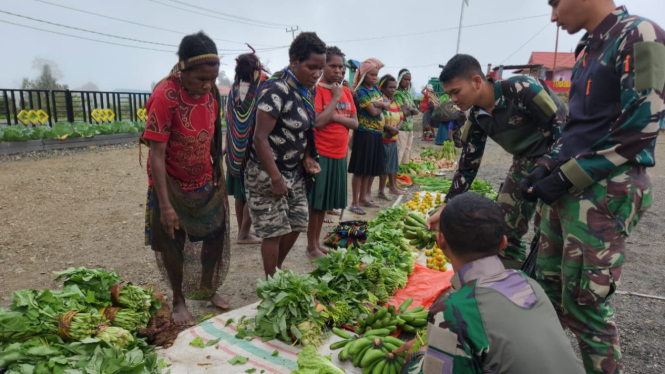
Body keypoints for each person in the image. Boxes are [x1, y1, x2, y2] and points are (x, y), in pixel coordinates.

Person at [520, 2, 665, 372]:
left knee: (585, 306)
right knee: (547, 292)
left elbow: (641, 127)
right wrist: (546, 166)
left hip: (604, 191)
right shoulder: (588, 48)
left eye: (554, 3)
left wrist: (566, 176)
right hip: (569, 189)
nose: (552, 16)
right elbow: (576, 127)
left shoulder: (640, 36)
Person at [396, 193, 585, 374]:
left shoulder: (451, 311)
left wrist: (420, 354)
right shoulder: (529, 284)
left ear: (440, 241)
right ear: (503, 243)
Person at [426, 54, 567, 270]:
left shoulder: (523, 89)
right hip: (523, 163)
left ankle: (543, 286)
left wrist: (544, 171)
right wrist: (447, 205)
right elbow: (468, 163)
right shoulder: (476, 116)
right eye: (449, 94)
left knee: (547, 232)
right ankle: (510, 276)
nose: (453, 99)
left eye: (456, 91)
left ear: (476, 81)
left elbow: (565, 133)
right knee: (503, 226)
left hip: (558, 162)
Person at [143, 32, 230, 325]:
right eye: (201, 79)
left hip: (205, 180)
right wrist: (166, 206)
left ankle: (206, 289)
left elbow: (216, 133)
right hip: (172, 185)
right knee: (173, 243)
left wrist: (217, 170)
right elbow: (156, 154)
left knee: (215, 237)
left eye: (213, 78)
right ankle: (179, 299)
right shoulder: (164, 96)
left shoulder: (213, 94)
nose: (207, 85)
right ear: (182, 68)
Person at [244, 32, 325, 278]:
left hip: (295, 170)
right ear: (294, 60)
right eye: (312, 67)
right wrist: (276, 179)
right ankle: (271, 283)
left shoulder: (305, 90)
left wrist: (308, 156)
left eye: (320, 69)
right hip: (266, 172)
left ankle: (276, 272)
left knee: (298, 222)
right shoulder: (276, 89)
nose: (317, 74)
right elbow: (260, 138)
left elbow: (305, 129)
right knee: (274, 229)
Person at [307, 46, 358, 259]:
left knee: (326, 204)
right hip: (322, 153)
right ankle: (311, 246)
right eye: (333, 66)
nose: (338, 71)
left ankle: (317, 244)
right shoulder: (317, 90)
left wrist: (335, 117)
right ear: (323, 66)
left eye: (341, 67)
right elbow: (318, 122)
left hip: (339, 154)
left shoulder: (346, 91)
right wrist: (335, 99)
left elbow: (355, 123)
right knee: (316, 204)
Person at [225, 51, 263, 245]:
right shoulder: (259, 90)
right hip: (252, 151)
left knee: (241, 193)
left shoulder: (233, 91)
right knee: (252, 191)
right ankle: (244, 233)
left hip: (234, 151)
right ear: (256, 69)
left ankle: (243, 231)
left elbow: (228, 119)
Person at [347, 58, 389, 216]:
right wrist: (381, 106)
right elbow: (373, 112)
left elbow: (385, 104)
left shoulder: (376, 91)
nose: (374, 77)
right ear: (364, 75)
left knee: (369, 169)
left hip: (376, 134)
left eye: (376, 75)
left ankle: (364, 198)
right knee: (360, 170)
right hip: (364, 133)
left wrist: (380, 105)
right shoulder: (361, 92)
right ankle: (354, 202)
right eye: (371, 75)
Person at [377, 74, 406, 200]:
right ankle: (381, 190)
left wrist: (396, 129)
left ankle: (393, 186)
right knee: (384, 166)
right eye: (390, 87)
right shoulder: (380, 103)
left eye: (394, 87)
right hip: (383, 138)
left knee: (393, 165)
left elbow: (401, 118)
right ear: (382, 88)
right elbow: (379, 119)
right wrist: (389, 129)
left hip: (393, 138)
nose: (393, 90)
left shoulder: (396, 104)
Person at [393, 69, 419, 164]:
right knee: (400, 149)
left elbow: (416, 111)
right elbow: (402, 112)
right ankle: (395, 171)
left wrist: (410, 108)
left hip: (409, 127)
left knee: (407, 149)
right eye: (405, 79)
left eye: (409, 80)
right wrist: (410, 109)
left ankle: (404, 170)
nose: (408, 82)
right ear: (400, 79)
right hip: (401, 127)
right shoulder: (397, 93)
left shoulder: (407, 94)